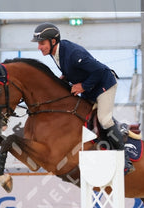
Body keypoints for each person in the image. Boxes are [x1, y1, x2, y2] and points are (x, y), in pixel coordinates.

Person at [31, 22, 134, 175]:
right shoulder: (55, 52)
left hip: (104, 85)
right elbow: (72, 69)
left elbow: (99, 70)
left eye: (42, 43)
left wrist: (83, 86)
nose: (39, 47)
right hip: (91, 88)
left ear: (53, 41)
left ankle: (125, 159)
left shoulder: (73, 54)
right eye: (39, 44)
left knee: (104, 120)